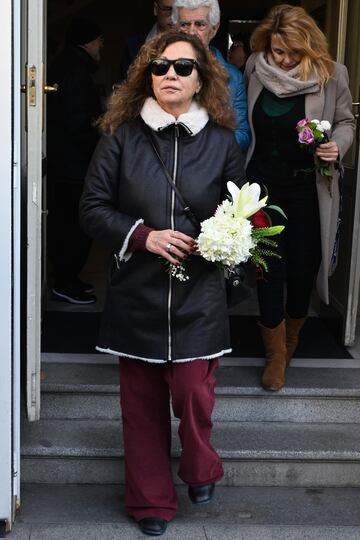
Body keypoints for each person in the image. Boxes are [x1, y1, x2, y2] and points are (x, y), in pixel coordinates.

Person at [80, 31, 245, 537]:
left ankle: (200, 466)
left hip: (199, 294)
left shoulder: (221, 142)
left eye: (182, 67)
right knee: (141, 401)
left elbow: (241, 212)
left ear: (203, 79)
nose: (169, 74)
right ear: (145, 76)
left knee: (194, 390)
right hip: (137, 291)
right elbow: (91, 208)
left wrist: (224, 238)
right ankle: (151, 500)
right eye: (159, 66)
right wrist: (143, 237)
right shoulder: (121, 136)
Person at [244, 4, 355, 391]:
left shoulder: (331, 74)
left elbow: (345, 121)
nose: (286, 60)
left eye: (294, 53)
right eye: (279, 52)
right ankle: (275, 354)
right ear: (267, 46)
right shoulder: (255, 69)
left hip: (308, 188)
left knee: (303, 268)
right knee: (267, 267)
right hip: (261, 189)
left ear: (309, 47)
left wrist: (336, 147)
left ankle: (291, 341)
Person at [47, 17, 104, 304]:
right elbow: (78, 123)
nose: (101, 45)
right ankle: (65, 281)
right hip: (74, 166)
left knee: (66, 222)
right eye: (98, 39)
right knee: (75, 225)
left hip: (64, 162)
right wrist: (98, 151)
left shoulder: (65, 66)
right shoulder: (76, 72)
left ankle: (67, 278)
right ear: (88, 41)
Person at [172, 0, 251, 151]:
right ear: (175, 28)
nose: (191, 32)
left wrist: (206, 148)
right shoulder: (160, 70)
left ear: (214, 29)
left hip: (213, 167)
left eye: (200, 24)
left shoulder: (233, 77)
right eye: (184, 24)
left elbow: (243, 135)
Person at [119, 0, 175, 80]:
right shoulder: (133, 46)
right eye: (167, 9)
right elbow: (124, 86)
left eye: (178, 9)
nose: (173, 16)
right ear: (156, 9)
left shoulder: (193, 44)